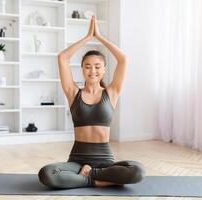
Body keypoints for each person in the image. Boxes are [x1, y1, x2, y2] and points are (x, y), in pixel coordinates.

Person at [38, 16, 145, 189]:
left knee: (137, 171)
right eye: (87, 66)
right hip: (77, 161)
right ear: (82, 69)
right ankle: (96, 181)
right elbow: (62, 58)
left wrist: (99, 37)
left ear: (104, 70)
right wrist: (88, 37)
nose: (92, 70)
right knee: (47, 173)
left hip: (104, 161)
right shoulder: (73, 93)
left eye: (97, 66)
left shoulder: (112, 93)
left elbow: (123, 59)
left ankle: (90, 177)